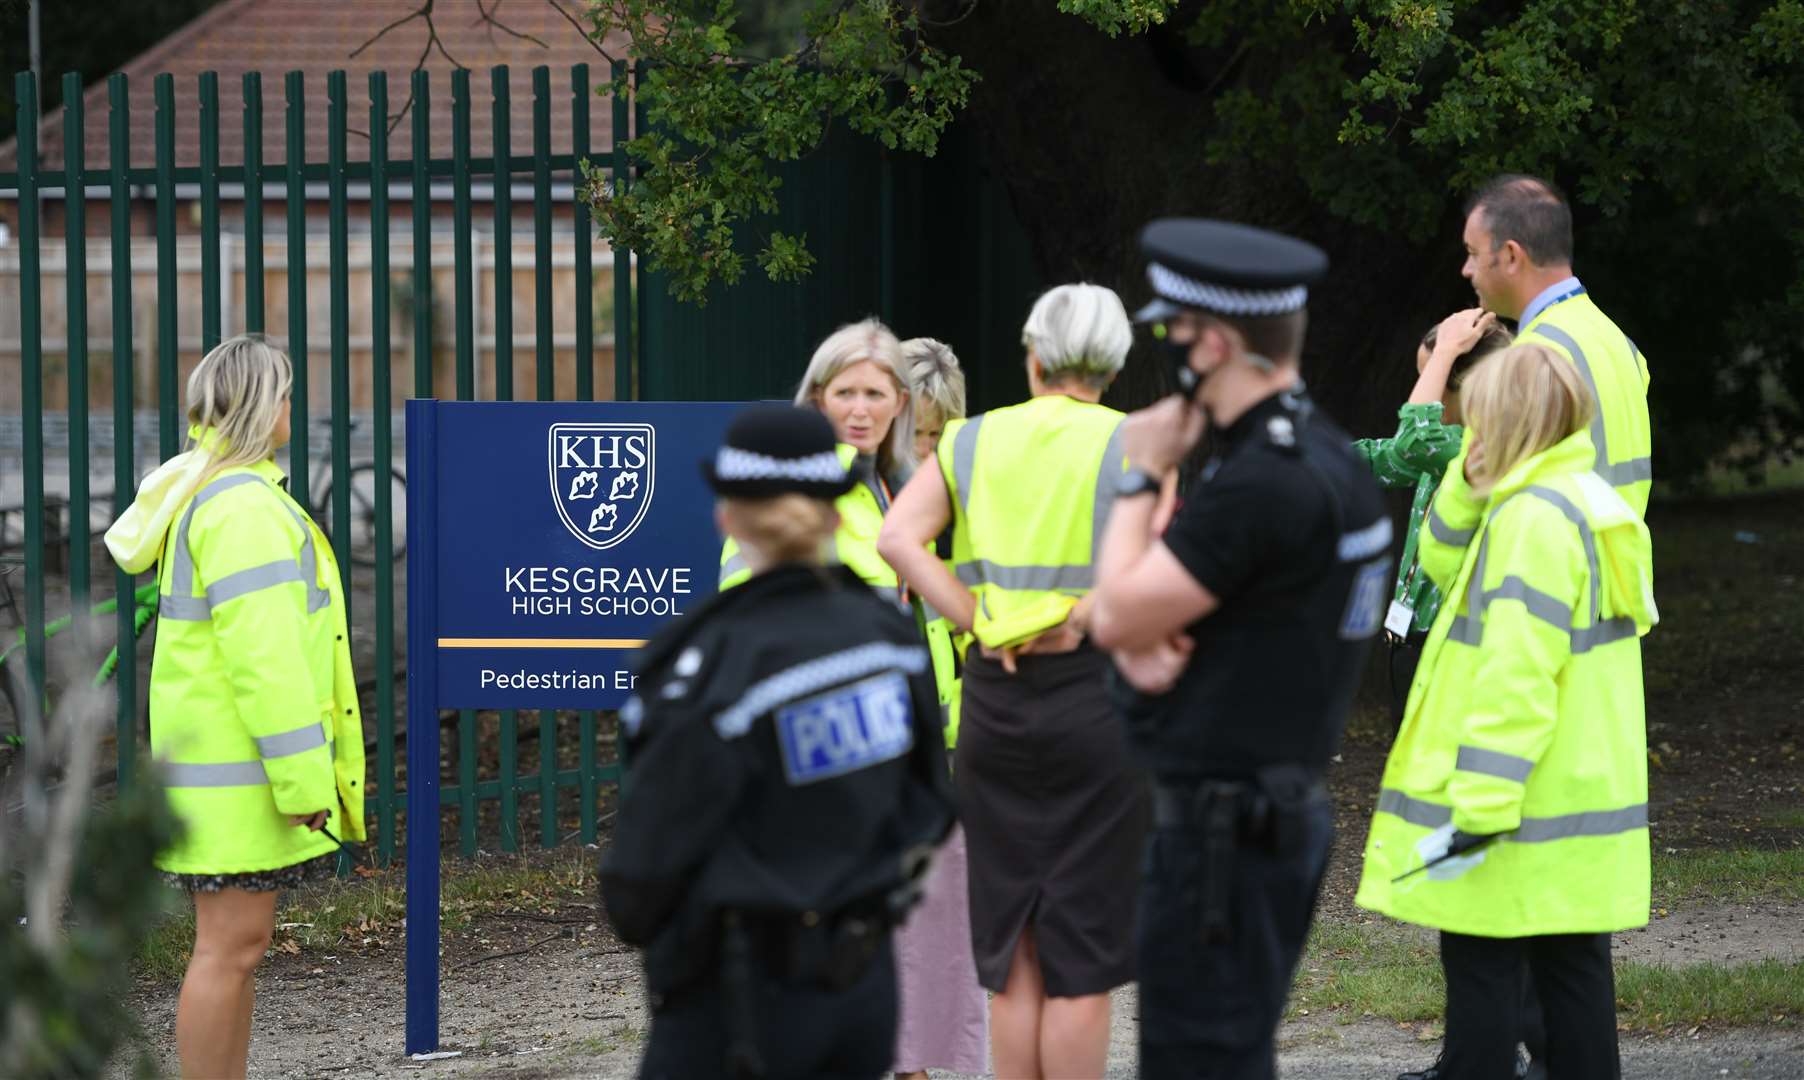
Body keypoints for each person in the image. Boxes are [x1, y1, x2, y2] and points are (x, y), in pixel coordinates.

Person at [1087, 218, 1390, 1079]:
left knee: (1200, 1060)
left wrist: (1140, 475)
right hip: (1272, 813)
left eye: (1172, 332)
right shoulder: (1328, 455)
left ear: (1214, 343)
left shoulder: (1263, 480)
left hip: (1226, 833)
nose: (1167, 350)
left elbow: (1114, 616)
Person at [601, 404, 956, 1080]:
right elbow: (930, 804)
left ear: (727, 517)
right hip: (863, 989)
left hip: (737, 1001)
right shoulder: (890, 638)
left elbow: (641, 875)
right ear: (833, 514)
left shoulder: (711, 666)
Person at [1354, 343, 1656, 1080]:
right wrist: (1467, 481)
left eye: (1481, 416)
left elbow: (1516, 679)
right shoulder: (1579, 500)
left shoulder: (1529, 523)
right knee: (1573, 988)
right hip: (1577, 809)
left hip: (1514, 812)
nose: (1469, 429)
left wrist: (1477, 813)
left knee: (1483, 990)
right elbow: (1440, 560)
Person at [878, 284, 1149, 1080]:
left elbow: (899, 539)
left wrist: (972, 615)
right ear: (1115, 360)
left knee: (1013, 952)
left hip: (995, 704)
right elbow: (1169, 564)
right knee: (1082, 963)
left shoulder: (970, 441)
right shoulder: (1134, 443)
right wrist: (1083, 614)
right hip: (1094, 702)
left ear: (1031, 355)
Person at [105, 335, 365, 1080]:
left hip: (223, 770)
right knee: (230, 949)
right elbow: (268, 662)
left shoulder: (215, 494)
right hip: (241, 778)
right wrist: (304, 783)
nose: (292, 406)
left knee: (236, 949)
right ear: (262, 406)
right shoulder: (244, 508)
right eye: (284, 393)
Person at [889, 336, 989, 1080]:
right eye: (916, 433)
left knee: (938, 915)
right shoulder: (858, 498)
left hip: (943, 739)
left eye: (938, 435)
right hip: (872, 740)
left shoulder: (956, 493)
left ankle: (921, 1066)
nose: (926, 449)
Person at [1456, 173, 1652, 515]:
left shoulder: (1530, 359)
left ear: (1512, 256)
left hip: (1552, 564)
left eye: (1473, 253)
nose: (1466, 270)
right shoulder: (1616, 339)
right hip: (1618, 559)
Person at [1355, 310, 1513, 725]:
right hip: (1410, 636)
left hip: (1450, 643)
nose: (1422, 395)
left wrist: (1445, 350)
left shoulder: (1485, 449)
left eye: (1433, 379)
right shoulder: (1446, 445)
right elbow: (1380, 457)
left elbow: (1412, 440)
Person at [718, 318, 915, 594]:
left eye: (874, 394)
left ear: (900, 402)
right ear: (819, 399)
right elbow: (745, 607)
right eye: (845, 393)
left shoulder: (911, 487)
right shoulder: (787, 484)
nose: (860, 410)